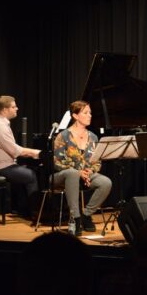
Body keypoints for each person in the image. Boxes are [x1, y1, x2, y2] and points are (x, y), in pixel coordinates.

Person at [52, 101, 112, 236]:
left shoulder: (93, 137)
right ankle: (75, 218)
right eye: (86, 113)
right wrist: (78, 172)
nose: (90, 115)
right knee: (73, 174)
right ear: (75, 115)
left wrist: (90, 171)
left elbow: (97, 161)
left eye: (90, 112)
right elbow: (57, 162)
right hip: (63, 176)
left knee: (105, 182)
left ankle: (86, 215)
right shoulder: (63, 136)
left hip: (86, 174)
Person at [0, 95, 41, 217]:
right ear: (5, 109)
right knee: (30, 175)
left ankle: (23, 210)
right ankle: (36, 213)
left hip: (0, 165)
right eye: (13, 106)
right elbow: (14, 150)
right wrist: (36, 152)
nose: (17, 108)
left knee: (25, 171)